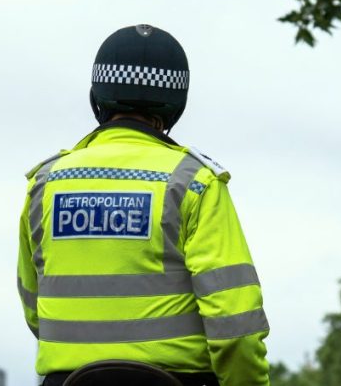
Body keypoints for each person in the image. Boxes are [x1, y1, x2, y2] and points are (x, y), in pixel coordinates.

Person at [17, 25, 270, 386]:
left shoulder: (45, 185)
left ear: (97, 97)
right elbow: (236, 324)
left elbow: (34, 307)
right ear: (176, 104)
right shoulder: (194, 182)